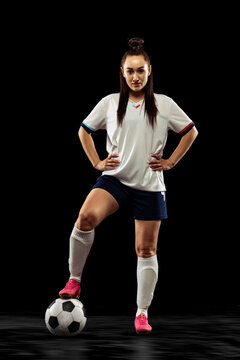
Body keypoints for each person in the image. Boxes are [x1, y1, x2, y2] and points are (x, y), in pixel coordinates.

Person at [59, 37, 198, 334]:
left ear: (150, 71)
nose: (136, 76)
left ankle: (142, 313)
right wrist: (97, 161)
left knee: (145, 250)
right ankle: (74, 279)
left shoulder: (164, 104)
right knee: (85, 218)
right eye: (130, 71)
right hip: (116, 180)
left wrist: (171, 161)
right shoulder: (110, 103)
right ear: (122, 72)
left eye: (141, 71)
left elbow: (190, 132)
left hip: (149, 185)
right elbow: (84, 131)